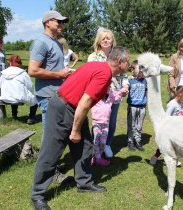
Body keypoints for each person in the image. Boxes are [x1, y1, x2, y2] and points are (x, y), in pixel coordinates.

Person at [30, 46, 130, 210]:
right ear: (119, 62)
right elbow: (84, 103)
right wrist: (75, 130)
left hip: (73, 108)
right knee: (52, 151)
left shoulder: (99, 66)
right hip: (66, 108)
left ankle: (84, 182)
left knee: (85, 146)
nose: (129, 67)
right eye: (128, 63)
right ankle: (37, 195)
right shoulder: (104, 73)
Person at [28, 11, 73, 185]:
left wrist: (63, 73)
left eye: (63, 22)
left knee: (55, 134)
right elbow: (32, 71)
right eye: (58, 21)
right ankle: (50, 173)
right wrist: (58, 74)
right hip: (47, 95)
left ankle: (52, 165)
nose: (62, 24)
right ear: (47, 22)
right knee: (50, 137)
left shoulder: (54, 42)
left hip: (56, 94)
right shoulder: (41, 42)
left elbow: (52, 68)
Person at [88, 27, 128, 158]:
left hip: (115, 94)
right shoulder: (93, 57)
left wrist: (126, 85)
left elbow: (124, 73)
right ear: (99, 41)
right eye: (103, 38)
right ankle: (95, 145)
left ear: (112, 41)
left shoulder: (117, 55)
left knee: (111, 122)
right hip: (98, 95)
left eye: (108, 38)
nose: (105, 41)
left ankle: (107, 144)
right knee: (98, 121)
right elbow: (89, 75)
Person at [150, 85, 183, 166]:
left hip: (176, 128)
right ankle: (155, 157)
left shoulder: (180, 104)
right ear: (180, 94)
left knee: (175, 146)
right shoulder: (172, 104)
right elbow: (166, 117)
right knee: (165, 145)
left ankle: (174, 160)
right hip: (169, 128)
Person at [91, 86, 128, 166]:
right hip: (97, 123)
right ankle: (97, 158)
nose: (106, 88)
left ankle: (98, 156)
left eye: (108, 86)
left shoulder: (111, 95)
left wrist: (123, 90)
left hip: (105, 124)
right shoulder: (96, 95)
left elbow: (117, 96)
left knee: (103, 142)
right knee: (96, 141)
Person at [0, 55, 38, 123]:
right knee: (35, 101)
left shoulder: (4, 73)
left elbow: (0, 85)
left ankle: (14, 115)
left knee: (13, 95)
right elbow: (30, 86)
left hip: (5, 95)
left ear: (10, 63)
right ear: (20, 64)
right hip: (19, 96)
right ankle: (31, 118)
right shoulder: (22, 73)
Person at [126, 60, 147, 152]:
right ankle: (130, 141)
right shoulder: (130, 80)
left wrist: (146, 101)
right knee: (131, 125)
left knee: (139, 125)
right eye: (138, 69)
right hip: (132, 106)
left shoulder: (144, 80)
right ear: (132, 69)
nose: (140, 71)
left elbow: (146, 91)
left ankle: (138, 141)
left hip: (142, 107)